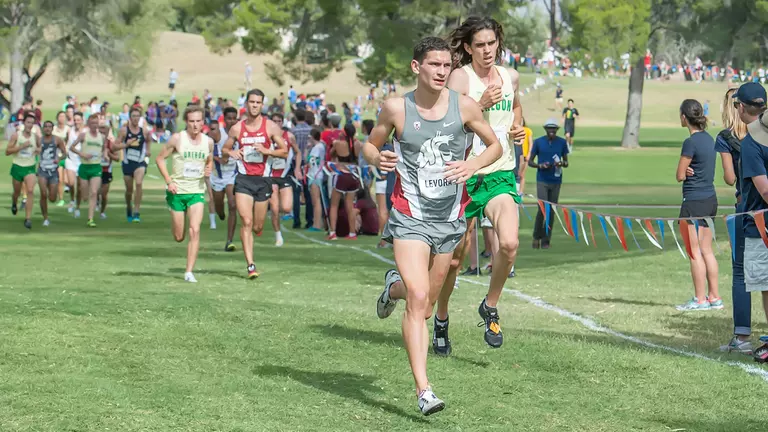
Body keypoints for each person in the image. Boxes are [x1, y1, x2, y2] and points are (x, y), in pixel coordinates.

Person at [364, 36, 503, 416]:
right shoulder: (396, 108)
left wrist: (472, 165)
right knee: (421, 294)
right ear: (416, 67)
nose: (442, 71)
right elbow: (369, 145)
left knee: (422, 307)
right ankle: (424, 390)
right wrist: (378, 158)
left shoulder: (465, 107)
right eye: (434, 65)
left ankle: (392, 289)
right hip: (409, 216)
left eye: (447, 66)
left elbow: (495, 146)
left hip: (449, 219)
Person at [434, 16, 526, 355]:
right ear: (469, 47)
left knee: (511, 244)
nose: (487, 50)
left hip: (500, 171)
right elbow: (445, 120)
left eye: (492, 43)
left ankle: (490, 305)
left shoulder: (510, 76)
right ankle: (441, 319)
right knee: (455, 259)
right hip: (465, 174)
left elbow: (516, 110)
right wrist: (480, 105)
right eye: (480, 45)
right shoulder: (461, 77)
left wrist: (518, 128)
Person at [221, 89, 289, 279]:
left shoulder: (270, 127)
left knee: (257, 226)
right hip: (243, 180)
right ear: (247, 103)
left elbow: (284, 151)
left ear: (262, 104)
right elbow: (225, 149)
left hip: (263, 180)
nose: (254, 105)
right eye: (252, 102)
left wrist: (267, 150)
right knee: (246, 221)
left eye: (258, 102)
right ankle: (250, 265)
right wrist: (232, 153)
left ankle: (255, 234)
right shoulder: (237, 128)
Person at [716, 86, 758, 353]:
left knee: (741, 273)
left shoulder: (726, 138)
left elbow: (730, 178)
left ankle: (742, 337)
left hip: (745, 206)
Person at [155, 106, 213, 283]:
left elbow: (209, 159)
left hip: (196, 191)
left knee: (195, 231)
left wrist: (209, 168)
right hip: (177, 191)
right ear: (186, 122)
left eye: (198, 121)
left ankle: (189, 272)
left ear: (203, 122)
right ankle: (174, 218)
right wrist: (169, 181)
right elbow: (159, 159)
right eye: (191, 121)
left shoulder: (208, 142)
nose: (195, 125)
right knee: (179, 236)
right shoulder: (177, 139)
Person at [674, 99, 721, 311]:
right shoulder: (710, 139)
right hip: (710, 199)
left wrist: (686, 171)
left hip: (693, 201)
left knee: (694, 252)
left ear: (684, 117)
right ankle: (714, 297)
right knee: (707, 250)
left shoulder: (690, 142)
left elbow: (679, 175)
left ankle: (700, 299)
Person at [741, 97, 768, 363]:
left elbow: (765, 191)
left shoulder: (751, 144)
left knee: (767, 285)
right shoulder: (752, 144)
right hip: (762, 226)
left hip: (761, 230)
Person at [529, 119, 570, 248]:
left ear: (557, 130)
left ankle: (546, 240)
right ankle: (536, 237)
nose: (551, 131)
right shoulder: (538, 142)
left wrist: (561, 163)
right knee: (542, 209)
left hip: (556, 180)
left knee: (551, 211)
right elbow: (530, 161)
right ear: (545, 129)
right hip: (542, 179)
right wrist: (539, 165)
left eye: (554, 129)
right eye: (549, 129)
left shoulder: (562, 143)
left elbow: (566, 162)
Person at [268, 112, 302, 247]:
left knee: (287, 208)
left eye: (279, 121)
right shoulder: (267, 137)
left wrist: (297, 168)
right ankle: (278, 236)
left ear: (282, 123)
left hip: (285, 175)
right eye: (274, 121)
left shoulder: (289, 136)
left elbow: (298, 152)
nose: (276, 123)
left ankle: (274, 214)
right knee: (275, 208)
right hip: (271, 176)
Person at [114, 107, 153, 223]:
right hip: (127, 163)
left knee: (139, 183)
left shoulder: (144, 131)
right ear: (130, 118)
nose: (136, 118)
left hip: (140, 162)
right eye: (133, 116)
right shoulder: (124, 131)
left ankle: (136, 212)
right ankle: (128, 207)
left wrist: (148, 150)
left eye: (137, 116)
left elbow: (149, 139)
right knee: (129, 190)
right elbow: (114, 146)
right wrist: (126, 145)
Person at [69, 114, 108, 227]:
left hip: (96, 167)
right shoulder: (83, 135)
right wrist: (82, 154)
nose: (94, 125)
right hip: (84, 167)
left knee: (94, 192)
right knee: (85, 196)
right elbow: (72, 147)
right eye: (92, 123)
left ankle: (90, 219)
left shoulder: (102, 137)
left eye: (96, 123)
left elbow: (104, 148)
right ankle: (82, 202)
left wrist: (105, 155)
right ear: (89, 124)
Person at [210, 108, 240, 251]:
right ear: (224, 119)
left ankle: (229, 241)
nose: (232, 121)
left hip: (232, 175)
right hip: (217, 176)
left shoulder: (240, 133)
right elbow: (206, 149)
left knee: (233, 205)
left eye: (234, 118)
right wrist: (218, 159)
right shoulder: (217, 133)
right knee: (219, 207)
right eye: (229, 118)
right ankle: (220, 213)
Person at [328, 122, 362, 240]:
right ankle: (352, 233)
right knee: (350, 205)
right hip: (354, 175)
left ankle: (332, 232)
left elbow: (331, 153)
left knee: (334, 205)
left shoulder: (338, 143)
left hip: (341, 174)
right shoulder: (358, 144)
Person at [6, 112, 41, 229]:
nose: (30, 125)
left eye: (32, 123)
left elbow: (40, 148)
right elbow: (7, 151)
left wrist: (38, 150)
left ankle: (28, 218)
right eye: (28, 122)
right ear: (23, 123)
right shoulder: (16, 135)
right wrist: (21, 147)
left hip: (30, 167)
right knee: (16, 192)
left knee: (30, 190)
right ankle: (14, 203)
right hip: (17, 166)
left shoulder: (35, 137)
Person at [37, 121, 68, 226]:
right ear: (43, 128)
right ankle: (45, 217)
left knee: (52, 198)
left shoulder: (57, 140)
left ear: (52, 128)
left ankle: (50, 196)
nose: (47, 129)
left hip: (53, 171)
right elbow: (34, 151)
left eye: (49, 127)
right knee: (43, 194)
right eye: (45, 126)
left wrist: (59, 158)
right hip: (42, 170)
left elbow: (64, 153)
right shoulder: (39, 140)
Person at [291, 109, 313, 228]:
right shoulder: (310, 130)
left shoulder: (293, 131)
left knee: (296, 191)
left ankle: (296, 220)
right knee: (307, 192)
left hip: (295, 161)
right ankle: (310, 220)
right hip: (308, 162)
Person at [305, 127, 326, 232]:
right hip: (318, 175)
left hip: (314, 175)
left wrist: (307, 150)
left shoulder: (316, 148)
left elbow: (311, 162)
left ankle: (316, 224)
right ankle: (319, 223)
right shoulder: (321, 146)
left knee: (316, 201)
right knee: (317, 201)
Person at [98, 121, 119, 220]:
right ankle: (96, 202)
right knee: (96, 191)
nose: (102, 131)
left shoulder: (111, 143)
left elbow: (117, 158)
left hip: (107, 170)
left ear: (108, 131)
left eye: (104, 129)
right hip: (96, 169)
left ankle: (102, 211)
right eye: (100, 129)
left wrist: (108, 154)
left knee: (104, 194)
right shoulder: (94, 142)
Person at [65, 112, 84, 217]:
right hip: (71, 160)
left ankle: (77, 207)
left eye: (78, 120)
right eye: (75, 120)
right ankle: (72, 200)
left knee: (80, 187)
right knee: (71, 183)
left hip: (81, 162)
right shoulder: (70, 131)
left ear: (82, 120)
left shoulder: (85, 132)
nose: (76, 122)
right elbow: (65, 142)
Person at [52, 111, 70, 207]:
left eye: (63, 116)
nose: (62, 118)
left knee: (69, 181)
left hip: (67, 156)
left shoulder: (68, 129)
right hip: (57, 156)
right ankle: (61, 199)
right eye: (60, 116)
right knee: (60, 179)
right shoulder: (53, 129)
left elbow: (71, 141)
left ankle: (72, 198)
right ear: (57, 118)